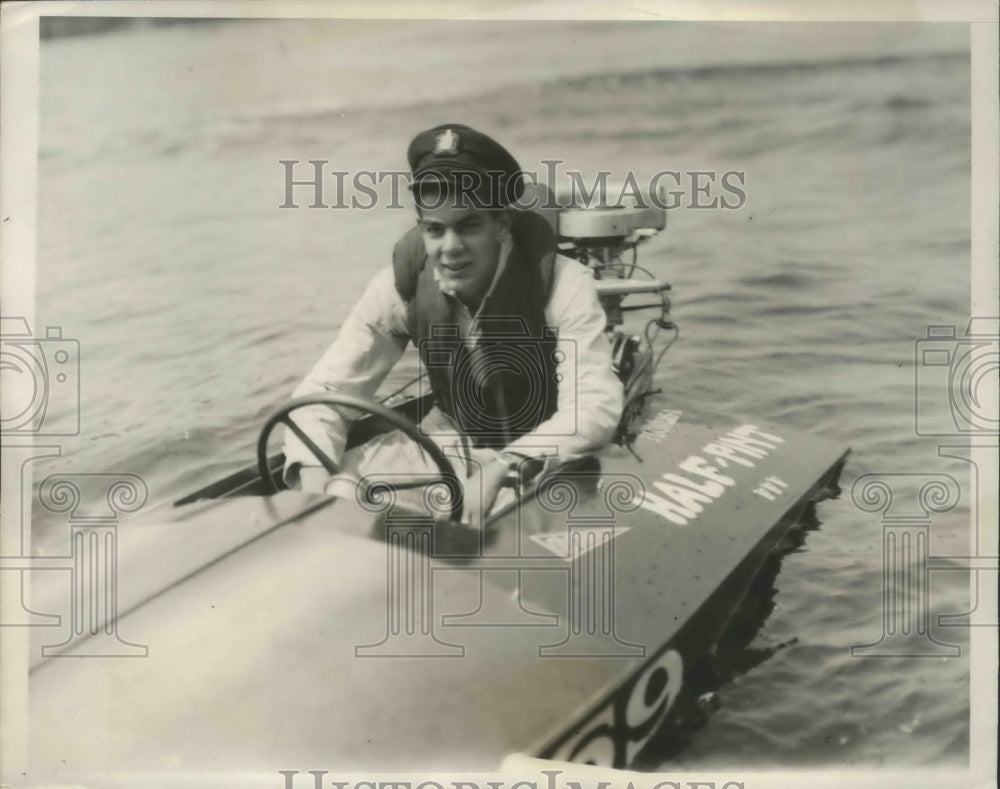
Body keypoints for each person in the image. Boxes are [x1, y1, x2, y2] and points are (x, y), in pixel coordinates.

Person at [282, 123, 623, 529]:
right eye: (435, 229)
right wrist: (314, 488)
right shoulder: (397, 287)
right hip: (446, 444)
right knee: (342, 492)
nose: (451, 248)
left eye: (469, 225)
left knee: (499, 530)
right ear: (421, 228)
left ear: (502, 224)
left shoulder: (565, 284)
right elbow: (325, 393)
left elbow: (593, 407)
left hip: (539, 455)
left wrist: (505, 465)